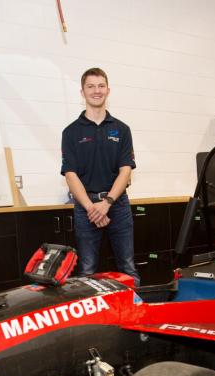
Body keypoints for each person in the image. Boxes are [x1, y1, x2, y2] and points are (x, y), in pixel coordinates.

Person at [61, 67, 139, 286]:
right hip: (86, 208)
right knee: (87, 270)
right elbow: (70, 174)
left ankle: (135, 314)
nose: (97, 91)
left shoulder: (122, 130)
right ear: (82, 92)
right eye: (91, 86)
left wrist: (107, 203)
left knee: (127, 267)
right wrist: (92, 208)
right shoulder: (71, 132)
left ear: (108, 90)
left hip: (118, 205)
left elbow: (126, 171)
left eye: (101, 86)